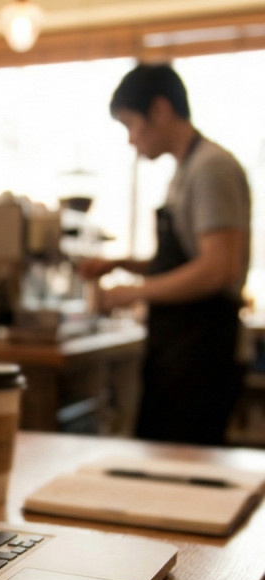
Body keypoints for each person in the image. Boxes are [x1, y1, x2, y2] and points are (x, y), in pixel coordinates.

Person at [79, 63, 251, 446]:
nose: (130, 140)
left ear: (159, 111)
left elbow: (217, 269)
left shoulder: (210, 168)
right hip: (182, 349)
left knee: (183, 477)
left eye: (130, 125)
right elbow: (185, 259)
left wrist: (132, 292)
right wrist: (122, 263)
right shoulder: (185, 171)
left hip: (204, 353)